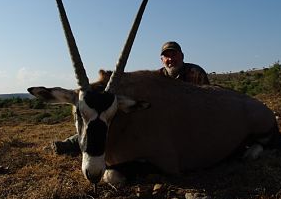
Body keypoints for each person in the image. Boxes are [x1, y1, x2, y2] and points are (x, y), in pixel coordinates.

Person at [52, 41, 209, 155]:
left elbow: (207, 100)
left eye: (174, 54)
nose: (170, 59)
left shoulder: (195, 72)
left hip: (186, 119)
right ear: (162, 60)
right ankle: (71, 143)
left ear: (181, 55)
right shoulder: (158, 77)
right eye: (166, 56)